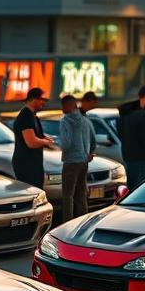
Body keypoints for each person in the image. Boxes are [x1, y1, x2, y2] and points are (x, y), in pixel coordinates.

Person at [58, 93, 95, 222]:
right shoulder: (85, 120)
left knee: (68, 195)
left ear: (69, 105)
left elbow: (66, 143)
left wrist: (58, 143)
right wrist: (88, 153)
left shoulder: (65, 120)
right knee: (81, 195)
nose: (61, 107)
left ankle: (67, 223)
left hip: (70, 161)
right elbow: (93, 139)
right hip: (84, 161)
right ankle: (82, 223)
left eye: (63, 105)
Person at [11, 87, 56, 188]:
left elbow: (38, 136)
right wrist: (45, 142)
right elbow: (31, 142)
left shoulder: (33, 116)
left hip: (33, 164)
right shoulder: (25, 116)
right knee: (31, 193)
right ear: (34, 99)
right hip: (26, 165)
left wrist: (46, 138)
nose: (44, 103)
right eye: (42, 100)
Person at [118, 85, 145, 189]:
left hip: (129, 157)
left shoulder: (124, 114)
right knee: (143, 189)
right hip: (143, 159)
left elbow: (121, 134)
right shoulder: (143, 116)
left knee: (132, 188)